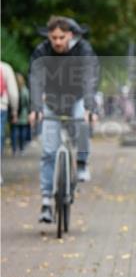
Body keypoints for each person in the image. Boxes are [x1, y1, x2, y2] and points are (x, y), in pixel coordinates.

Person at [28, 16, 100, 223]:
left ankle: (82, 162)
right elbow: (35, 79)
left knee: (83, 123)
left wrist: (89, 107)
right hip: (51, 101)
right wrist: (36, 108)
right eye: (53, 38)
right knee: (49, 151)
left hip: (77, 98)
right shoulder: (42, 51)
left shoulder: (83, 50)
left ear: (71, 35)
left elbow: (89, 78)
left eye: (61, 37)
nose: (57, 42)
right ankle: (46, 202)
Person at [11, 73, 32, 154]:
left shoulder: (14, 89)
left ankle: (14, 149)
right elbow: (28, 102)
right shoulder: (25, 90)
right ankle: (21, 148)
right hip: (23, 113)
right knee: (23, 130)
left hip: (15, 113)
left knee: (14, 131)